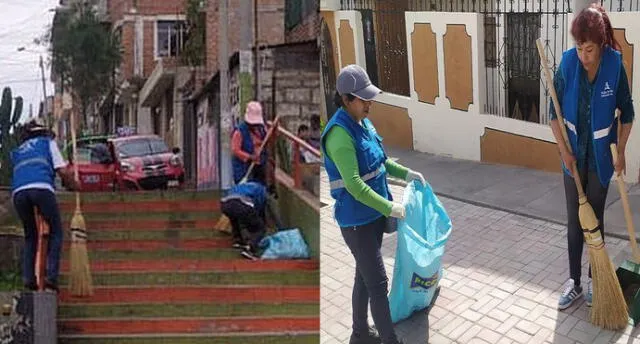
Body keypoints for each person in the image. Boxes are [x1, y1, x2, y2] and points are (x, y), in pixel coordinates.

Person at [321, 64, 426, 344]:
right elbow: (354, 184)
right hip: (357, 223)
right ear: (346, 100)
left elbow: (381, 162)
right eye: (363, 99)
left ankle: (359, 333)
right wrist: (390, 208)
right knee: (378, 284)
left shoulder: (364, 123)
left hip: (372, 218)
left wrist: (406, 174)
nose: (370, 103)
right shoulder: (339, 135)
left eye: (370, 97)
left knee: (364, 278)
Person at [550, 4, 635, 310]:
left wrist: (621, 150)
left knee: (595, 221)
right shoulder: (568, 63)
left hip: (600, 157)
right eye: (579, 48)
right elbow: (553, 114)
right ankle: (573, 282)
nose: (583, 56)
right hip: (572, 158)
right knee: (575, 222)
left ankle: (592, 278)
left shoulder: (614, 63)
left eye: (589, 49)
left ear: (600, 44)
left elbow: (628, 112)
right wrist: (564, 151)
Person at [10, 119, 79, 292]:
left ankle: (28, 278)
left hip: (19, 193)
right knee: (56, 231)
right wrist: (74, 185)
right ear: (43, 133)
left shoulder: (18, 150)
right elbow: (62, 171)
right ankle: (51, 278)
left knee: (30, 235)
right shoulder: (47, 143)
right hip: (41, 188)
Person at [220, 174, 275, 260]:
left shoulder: (244, 185)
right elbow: (258, 208)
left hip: (225, 204)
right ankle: (250, 249)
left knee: (235, 220)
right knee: (260, 228)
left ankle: (238, 241)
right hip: (241, 205)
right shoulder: (262, 190)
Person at [231, 101, 268, 185]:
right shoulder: (239, 131)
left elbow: (266, 141)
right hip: (243, 168)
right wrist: (250, 157)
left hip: (259, 167)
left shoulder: (261, 129)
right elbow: (235, 150)